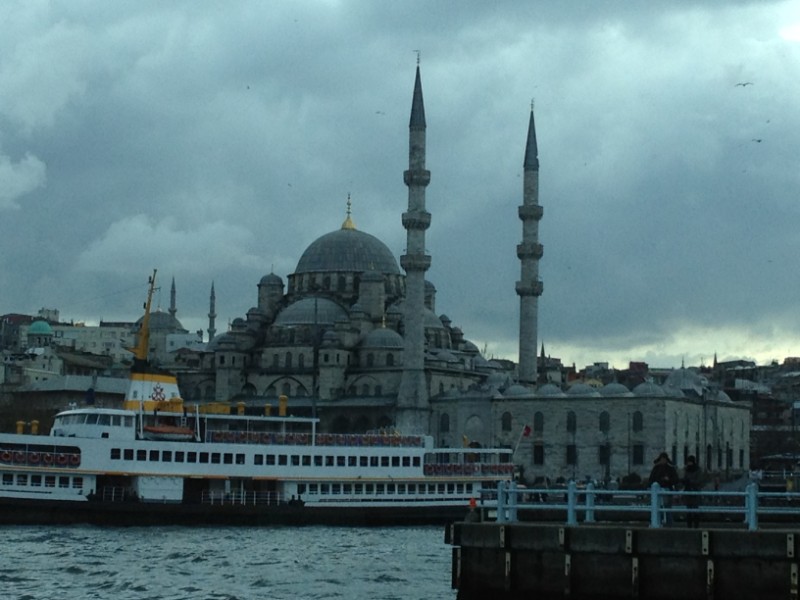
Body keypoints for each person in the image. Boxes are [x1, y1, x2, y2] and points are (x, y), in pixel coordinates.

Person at [649, 452, 678, 525]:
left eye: (664, 459)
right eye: (662, 459)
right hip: (658, 490)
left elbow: (675, 479)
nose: (663, 461)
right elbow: (651, 479)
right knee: (658, 507)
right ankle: (658, 522)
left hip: (667, 489)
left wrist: (668, 480)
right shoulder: (656, 468)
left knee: (667, 507)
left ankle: (669, 523)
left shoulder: (670, 468)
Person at [682, 455, 703, 528]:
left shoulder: (698, 470)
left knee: (695, 509)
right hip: (688, 491)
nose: (689, 464)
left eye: (690, 462)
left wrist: (690, 481)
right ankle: (689, 526)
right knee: (688, 509)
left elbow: (699, 480)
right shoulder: (686, 470)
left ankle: (696, 526)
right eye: (688, 462)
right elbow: (684, 478)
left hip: (695, 491)